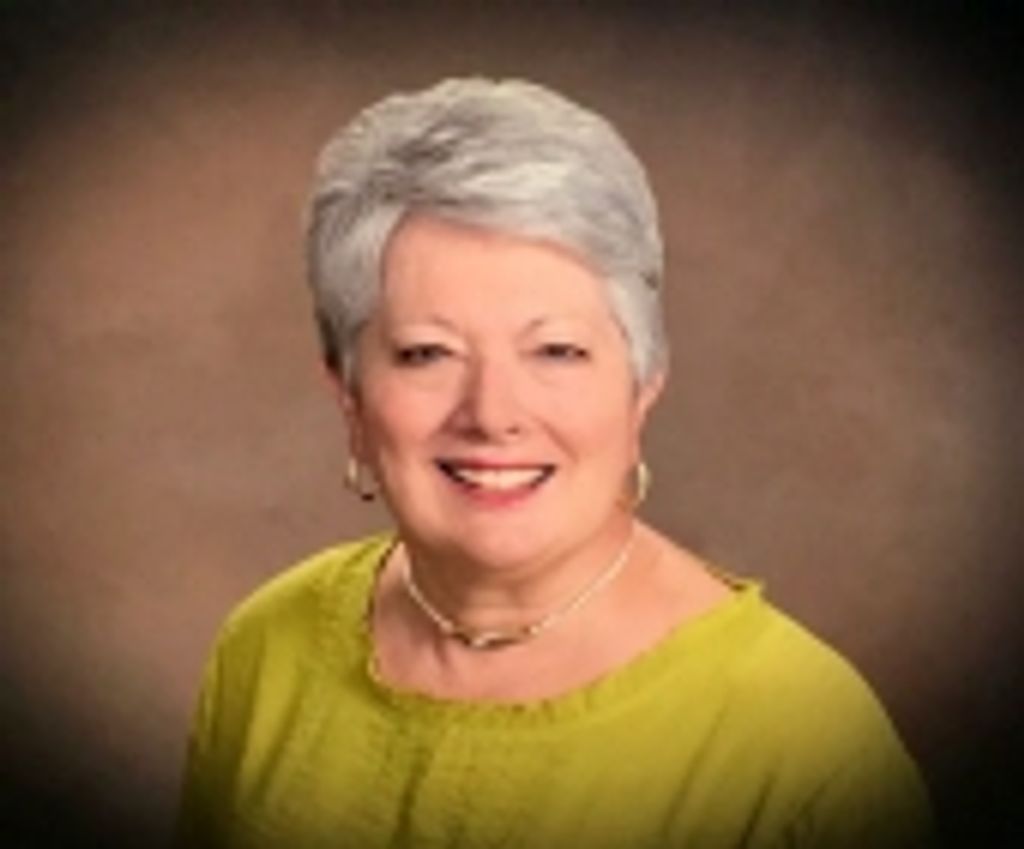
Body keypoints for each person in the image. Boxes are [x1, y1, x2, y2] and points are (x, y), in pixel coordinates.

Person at [176, 77, 932, 848]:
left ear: (641, 387)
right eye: (428, 353)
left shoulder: (806, 747)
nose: (493, 413)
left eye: (557, 351)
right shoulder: (265, 650)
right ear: (349, 394)